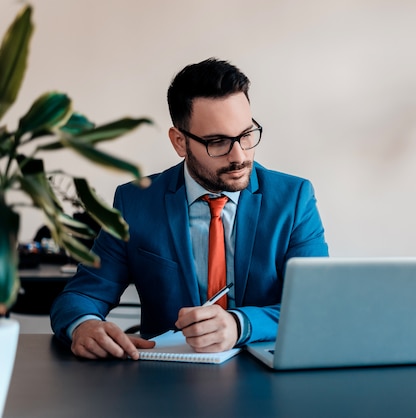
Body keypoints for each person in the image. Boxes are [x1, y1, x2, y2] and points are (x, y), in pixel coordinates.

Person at [50, 58, 329, 360]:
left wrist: (240, 324)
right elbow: (82, 295)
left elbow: (315, 305)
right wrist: (84, 325)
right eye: (218, 141)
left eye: (247, 134)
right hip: (167, 379)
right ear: (180, 142)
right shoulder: (135, 203)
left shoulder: (294, 198)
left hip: (267, 373)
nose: (239, 156)